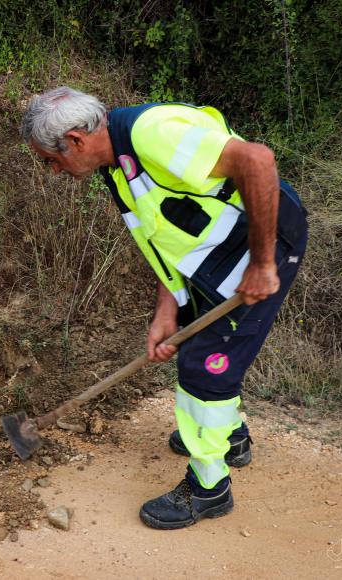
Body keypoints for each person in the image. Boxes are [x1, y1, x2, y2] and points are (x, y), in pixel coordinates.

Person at [21, 88, 308, 530]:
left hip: (257, 246)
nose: (54, 170)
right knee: (200, 344)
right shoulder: (118, 163)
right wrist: (168, 309)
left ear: (76, 140)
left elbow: (258, 161)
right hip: (213, 258)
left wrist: (264, 262)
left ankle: (209, 489)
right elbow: (165, 236)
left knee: (204, 366)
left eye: (51, 159)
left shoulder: (152, 136)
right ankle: (231, 438)